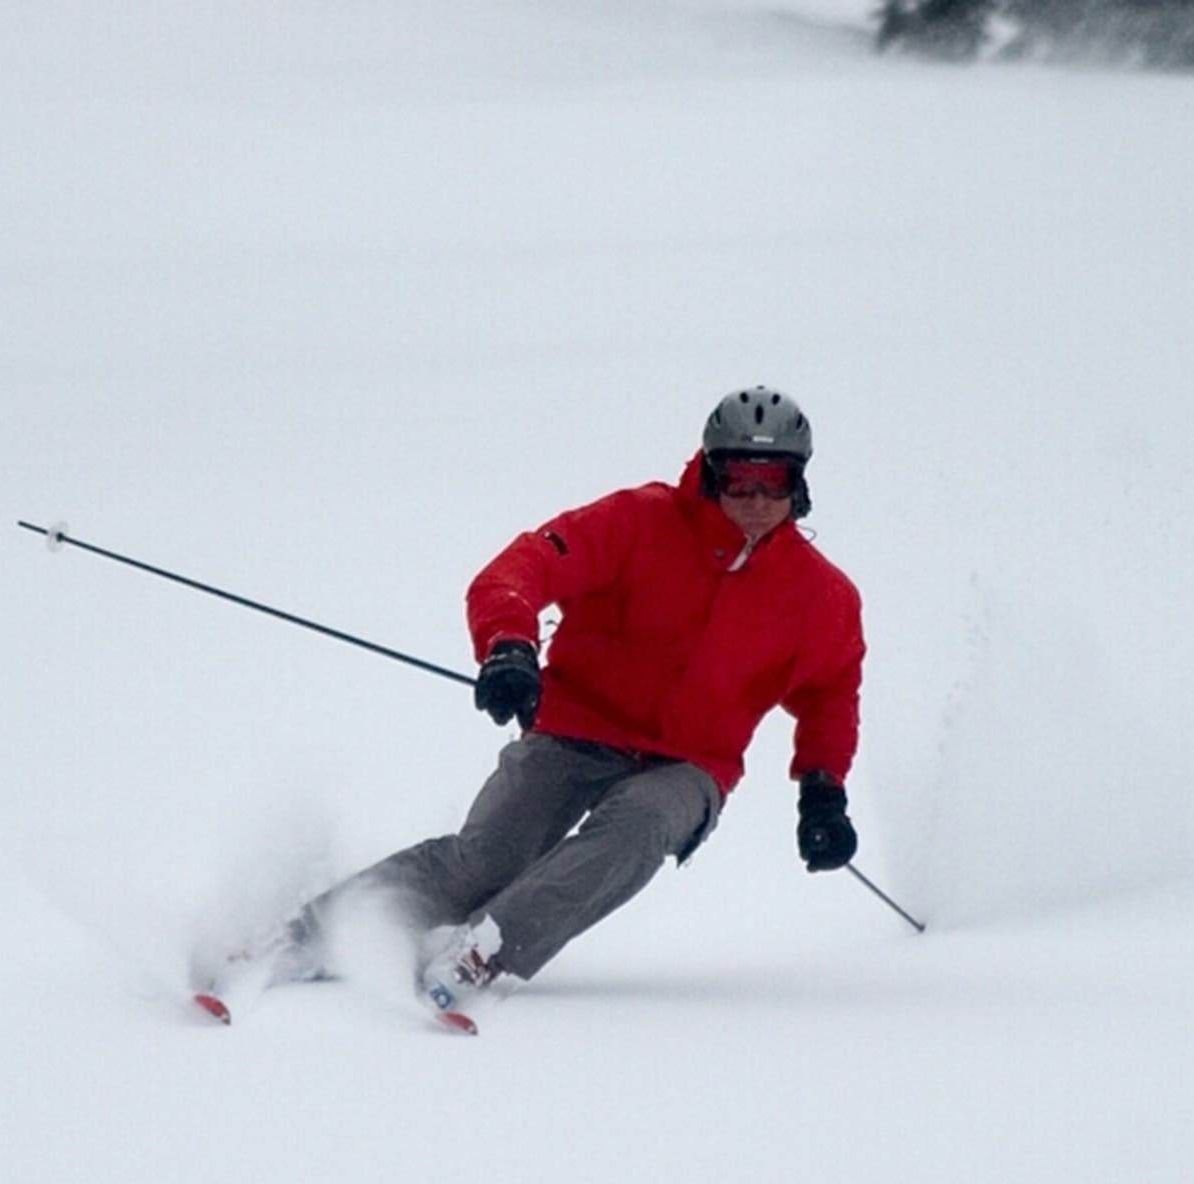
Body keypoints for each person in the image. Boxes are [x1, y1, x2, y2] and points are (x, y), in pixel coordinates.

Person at [261, 385, 866, 1013]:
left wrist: (823, 790)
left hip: (690, 764)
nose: (756, 502)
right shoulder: (637, 521)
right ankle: (305, 937)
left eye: (773, 483)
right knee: (486, 859)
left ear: (799, 485)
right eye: (740, 481)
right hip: (578, 726)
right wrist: (509, 647)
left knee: (638, 825)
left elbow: (832, 691)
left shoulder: (820, 597)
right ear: (711, 473)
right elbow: (520, 570)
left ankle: (484, 951)